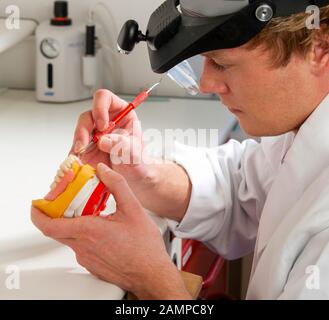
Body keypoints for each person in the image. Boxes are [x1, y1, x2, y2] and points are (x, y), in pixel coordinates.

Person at [32, 1, 329, 299]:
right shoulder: (303, 129)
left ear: (319, 48)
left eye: (222, 63)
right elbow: (241, 189)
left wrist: (150, 279)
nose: (206, 83)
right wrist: (142, 173)